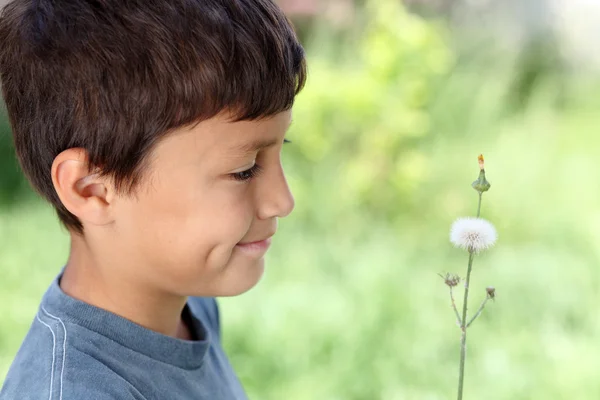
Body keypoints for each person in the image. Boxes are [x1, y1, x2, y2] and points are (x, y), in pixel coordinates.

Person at [0, 0, 306, 398]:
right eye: (244, 169)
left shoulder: (190, 309)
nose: (282, 201)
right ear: (90, 188)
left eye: (282, 145)